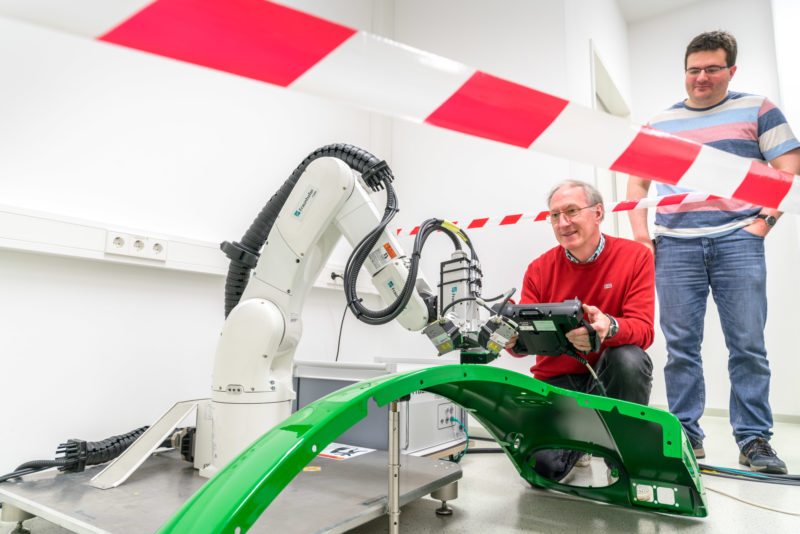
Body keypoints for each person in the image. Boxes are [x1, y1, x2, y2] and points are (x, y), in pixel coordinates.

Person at [627, 30, 800, 474]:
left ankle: (753, 439)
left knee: (747, 344)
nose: (701, 77)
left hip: (737, 239)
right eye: (693, 70)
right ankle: (686, 435)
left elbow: (788, 165)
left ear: (730, 71)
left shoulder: (757, 108)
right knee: (682, 345)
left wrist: (763, 223)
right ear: (685, 73)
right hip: (675, 245)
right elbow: (637, 182)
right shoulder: (660, 122)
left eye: (711, 69)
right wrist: (643, 237)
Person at [507, 179, 655, 481]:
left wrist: (608, 327)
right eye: (555, 215)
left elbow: (643, 328)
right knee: (541, 470)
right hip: (559, 382)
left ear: (597, 212)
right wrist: (510, 337)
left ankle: (621, 458)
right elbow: (523, 340)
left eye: (572, 211)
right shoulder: (539, 269)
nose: (563, 223)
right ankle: (581, 444)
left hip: (608, 374)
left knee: (628, 358)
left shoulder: (635, 257)